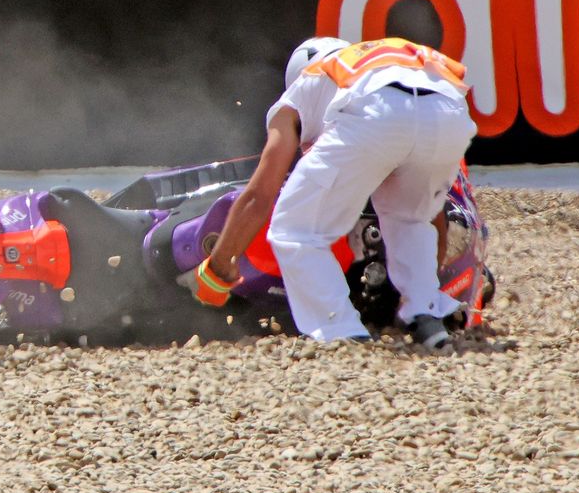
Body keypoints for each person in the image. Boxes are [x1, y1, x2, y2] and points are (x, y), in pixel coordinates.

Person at [193, 36, 477, 349]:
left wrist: (219, 268)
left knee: (294, 229)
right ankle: (426, 317)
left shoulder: (303, 88)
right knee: (412, 219)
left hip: (380, 113)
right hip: (450, 110)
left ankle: (341, 330)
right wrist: (425, 285)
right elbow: (432, 219)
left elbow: (260, 195)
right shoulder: (369, 60)